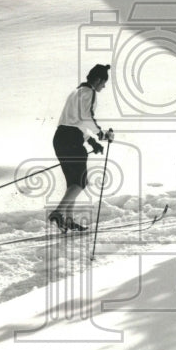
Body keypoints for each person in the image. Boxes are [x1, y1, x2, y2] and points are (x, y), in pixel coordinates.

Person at [49, 63, 114, 232]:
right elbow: (86, 117)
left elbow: (73, 121)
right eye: (103, 83)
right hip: (71, 139)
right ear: (98, 80)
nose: (104, 86)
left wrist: (91, 141)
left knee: (73, 182)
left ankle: (68, 220)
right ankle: (58, 213)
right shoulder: (89, 92)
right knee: (80, 182)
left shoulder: (75, 92)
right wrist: (100, 134)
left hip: (60, 138)